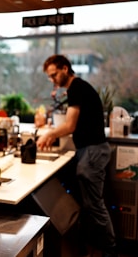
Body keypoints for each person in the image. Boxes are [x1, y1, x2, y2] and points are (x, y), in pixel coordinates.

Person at [36, 55, 117, 257]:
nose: (52, 79)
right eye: (49, 77)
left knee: (95, 206)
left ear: (65, 68)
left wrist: (50, 133)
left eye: (54, 74)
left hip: (92, 151)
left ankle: (110, 251)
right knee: (91, 205)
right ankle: (91, 248)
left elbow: (70, 125)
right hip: (90, 151)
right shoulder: (78, 88)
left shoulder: (76, 88)